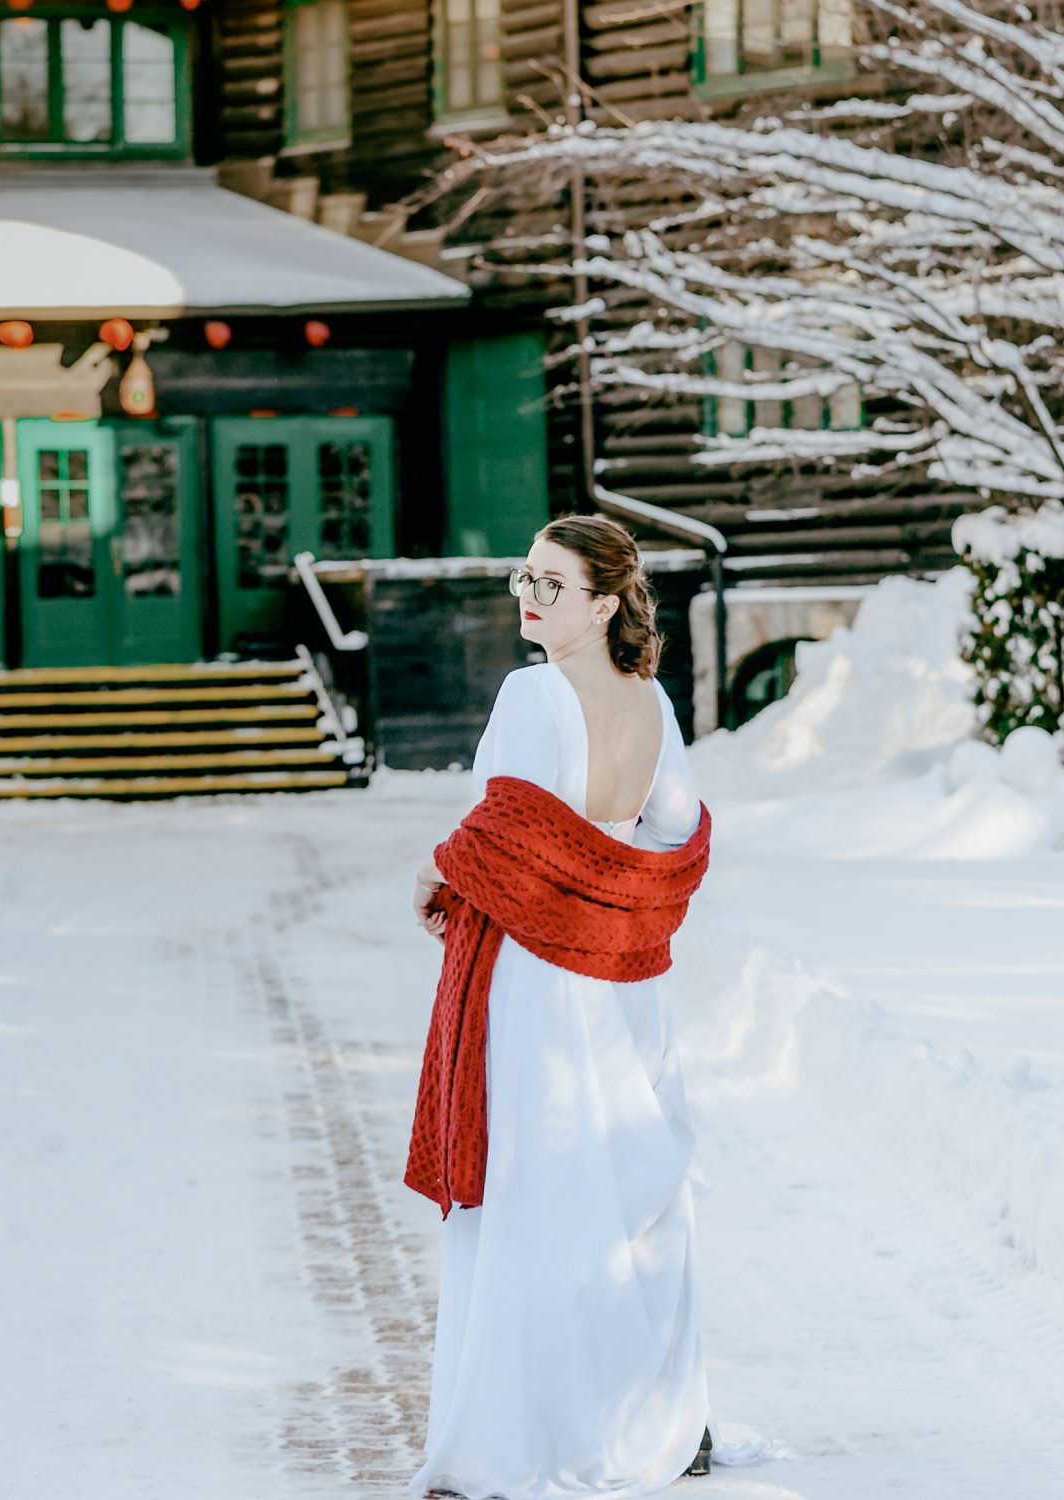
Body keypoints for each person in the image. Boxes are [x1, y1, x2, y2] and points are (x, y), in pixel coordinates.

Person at [404, 514, 762, 1499]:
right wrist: (611, 901)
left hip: (534, 978)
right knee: (628, 1191)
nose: (528, 595)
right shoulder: (651, 700)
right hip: (624, 982)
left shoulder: (532, 692)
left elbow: (508, 839)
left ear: (604, 603)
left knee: (535, 1192)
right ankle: (658, 1415)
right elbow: (675, 831)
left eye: (552, 584)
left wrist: (449, 867)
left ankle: (521, 1435)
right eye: (525, 576)